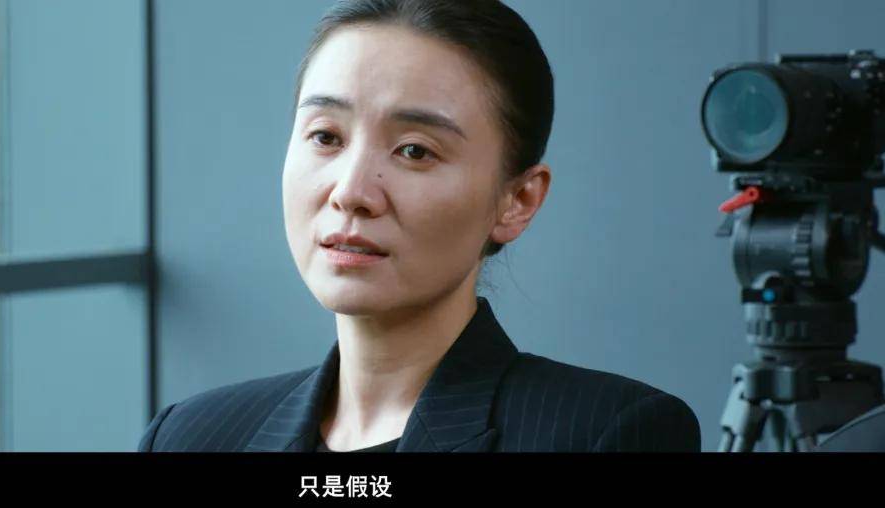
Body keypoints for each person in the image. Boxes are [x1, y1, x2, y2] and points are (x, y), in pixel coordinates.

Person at [139, 0, 700, 453]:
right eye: (326, 137)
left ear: (517, 200)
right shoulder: (191, 437)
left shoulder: (604, 432)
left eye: (414, 150)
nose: (351, 192)